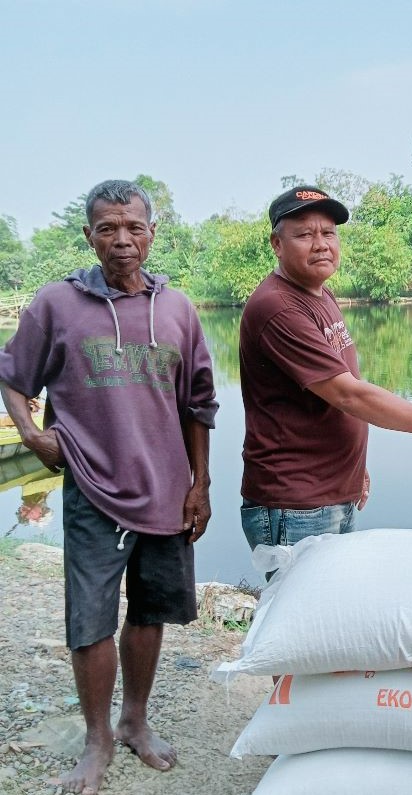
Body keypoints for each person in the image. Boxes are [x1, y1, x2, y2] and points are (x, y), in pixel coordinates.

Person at [0, 179, 218, 795]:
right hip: (93, 489)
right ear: (90, 234)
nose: (122, 240)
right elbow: (13, 378)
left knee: (150, 613)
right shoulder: (56, 305)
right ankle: (97, 740)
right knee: (90, 621)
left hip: (169, 491)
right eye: (107, 228)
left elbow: (199, 404)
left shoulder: (177, 309)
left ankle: (134, 722)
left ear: (152, 232)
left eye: (134, 227)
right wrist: (33, 438)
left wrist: (201, 482)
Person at [240, 186, 412, 563]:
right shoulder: (278, 307)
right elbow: (349, 395)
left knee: (331, 616)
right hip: (296, 505)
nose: (320, 244)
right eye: (304, 234)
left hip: (330, 493)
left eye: (329, 233)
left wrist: (353, 469)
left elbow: (336, 392)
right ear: (276, 244)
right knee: (307, 619)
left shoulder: (321, 294)